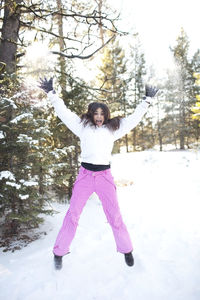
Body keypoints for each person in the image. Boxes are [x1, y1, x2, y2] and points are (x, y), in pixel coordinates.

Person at [39, 77, 158, 270]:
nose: (99, 116)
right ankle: (59, 252)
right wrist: (51, 94)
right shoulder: (82, 127)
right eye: (96, 113)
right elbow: (64, 113)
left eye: (103, 113)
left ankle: (126, 250)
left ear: (107, 115)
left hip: (104, 177)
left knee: (115, 216)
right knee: (72, 215)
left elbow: (133, 119)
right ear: (92, 114)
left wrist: (146, 101)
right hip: (85, 176)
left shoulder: (113, 129)